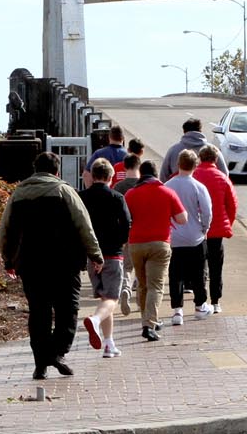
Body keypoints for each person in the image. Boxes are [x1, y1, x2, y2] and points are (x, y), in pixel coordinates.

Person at [0, 151, 103, 380]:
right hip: (64, 262)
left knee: (39, 313)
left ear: (35, 170)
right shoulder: (64, 191)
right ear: (57, 171)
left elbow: (5, 230)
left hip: (30, 263)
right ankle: (56, 352)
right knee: (68, 310)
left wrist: (8, 259)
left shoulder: (18, 194)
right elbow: (84, 225)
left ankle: (41, 364)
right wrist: (96, 255)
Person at [122, 160, 186, 343]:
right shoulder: (167, 192)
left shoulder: (130, 194)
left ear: (141, 174)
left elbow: (126, 218)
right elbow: (182, 219)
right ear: (156, 174)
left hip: (136, 244)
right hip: (160, 244)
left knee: (142, 284)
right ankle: (149, 324)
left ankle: (147, 319)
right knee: (156, 286)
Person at [77, 157, 131, 358]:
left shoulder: (81, 197)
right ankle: (96, 321)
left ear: (92, 176)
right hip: (112, 255)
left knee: (104, 299)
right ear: (111, 176)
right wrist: (120, 242)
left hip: (91, 256)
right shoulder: (117, 198)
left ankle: (109, 343)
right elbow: (126, 225)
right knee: (111, 299)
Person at [164, 150, 214, 325]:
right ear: (195, 165)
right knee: (199, 272)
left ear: (179, 164)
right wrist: (204, 228)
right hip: (195, 237)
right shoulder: (199, 187)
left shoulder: (168, 185)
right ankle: (200, 306)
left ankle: (177, 310)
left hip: (174, 237)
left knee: (175, 274)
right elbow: (207, 212)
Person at [192, 144, 239, 314]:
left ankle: (200, 300)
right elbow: (232, 205)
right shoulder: (222, 178)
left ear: (200, 158)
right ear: (216, 159)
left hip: (196, 230)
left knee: (198, 266)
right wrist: (228, 223)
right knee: (216, 266)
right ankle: (216, 300)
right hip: (217, 229)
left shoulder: (194, 176)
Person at [111, 153, 143, 316]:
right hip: (142, 232)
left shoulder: (118, 188)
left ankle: (125, 289)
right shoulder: (142, 185)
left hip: (125, 233)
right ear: (139, 166)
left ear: (125, 167)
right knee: (142, 269)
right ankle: (140, 302)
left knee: (127, 267)